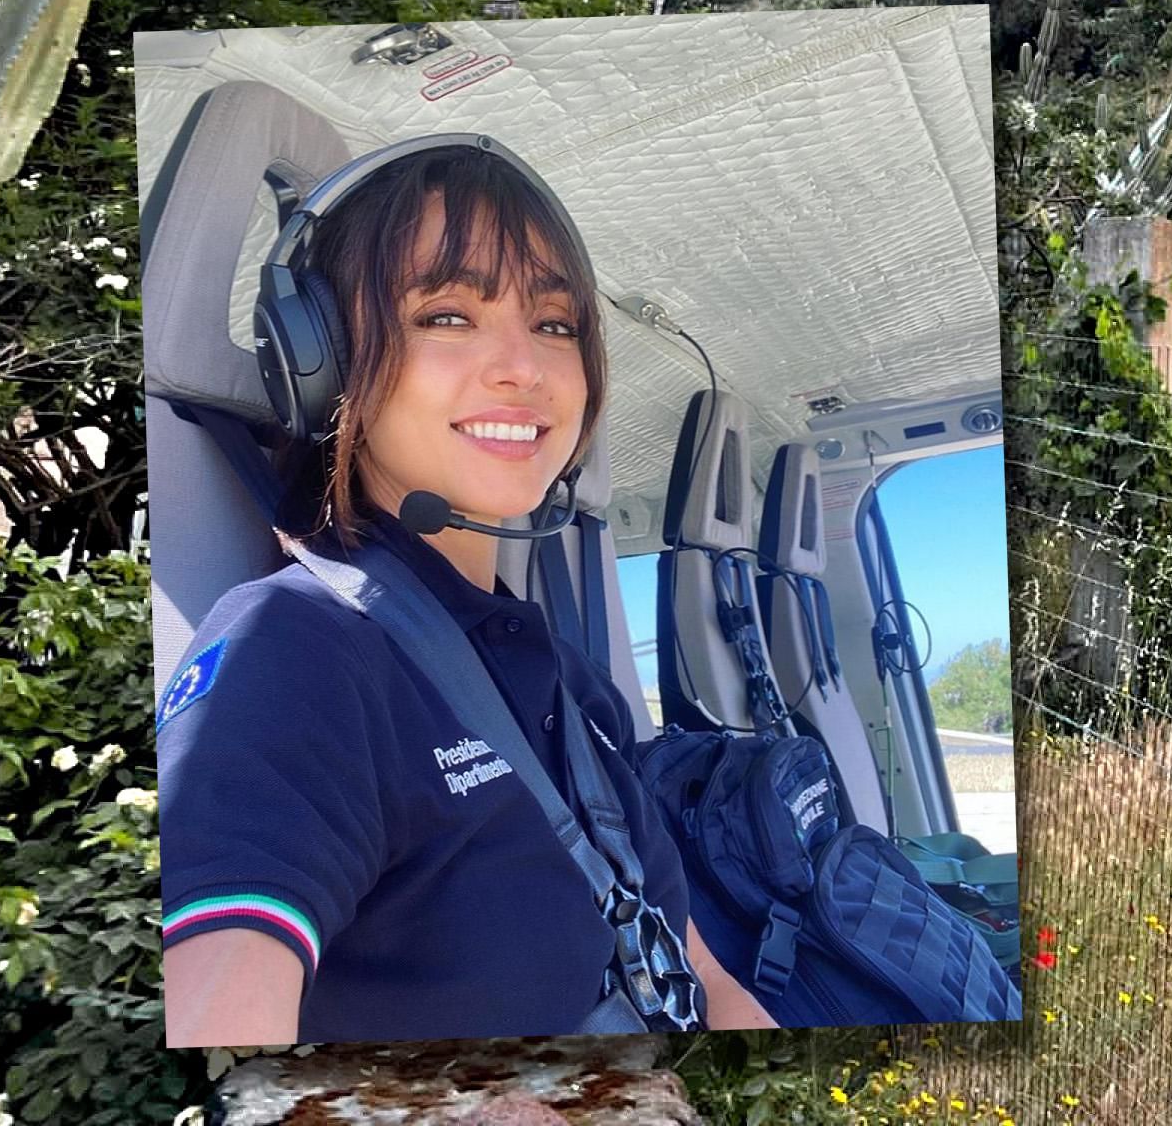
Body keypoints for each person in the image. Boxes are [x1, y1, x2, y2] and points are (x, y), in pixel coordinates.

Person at [158, 141, 772, 1045]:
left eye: (557, 326)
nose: (523, 366)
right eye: (447, 314)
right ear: (320, 358)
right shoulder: (293, 650)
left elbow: (696, 977)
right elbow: (218, 1016)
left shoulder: (575, 685)